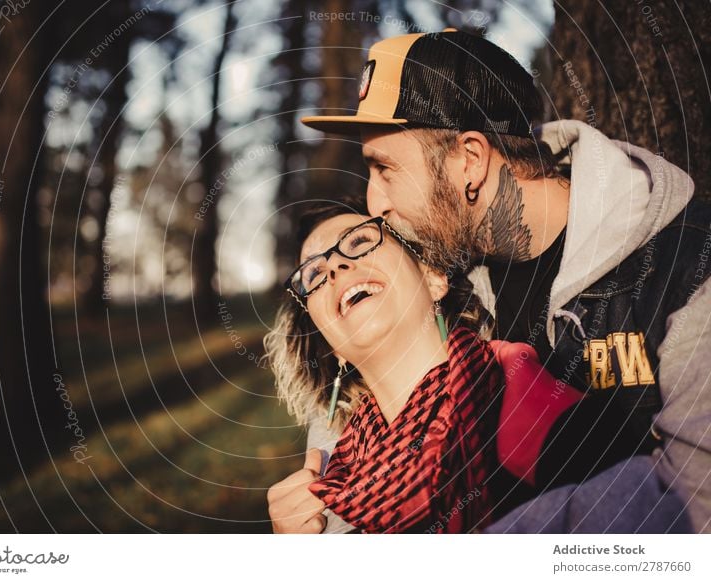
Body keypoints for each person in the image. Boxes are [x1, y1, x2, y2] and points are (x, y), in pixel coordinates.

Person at [270, 28, 711, 533]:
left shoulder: (686, 269)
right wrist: (324, 518)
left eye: (386, 169)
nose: (376, 204)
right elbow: (364, 390)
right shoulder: (451, 276)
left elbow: (696, 505)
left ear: (471, 161)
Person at [264, 198, 646, 534]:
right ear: (334, 350)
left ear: (433, 278)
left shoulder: (514, 391)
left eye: (360, 242)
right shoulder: (335, 479)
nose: (335, 269)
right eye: (313, 273)